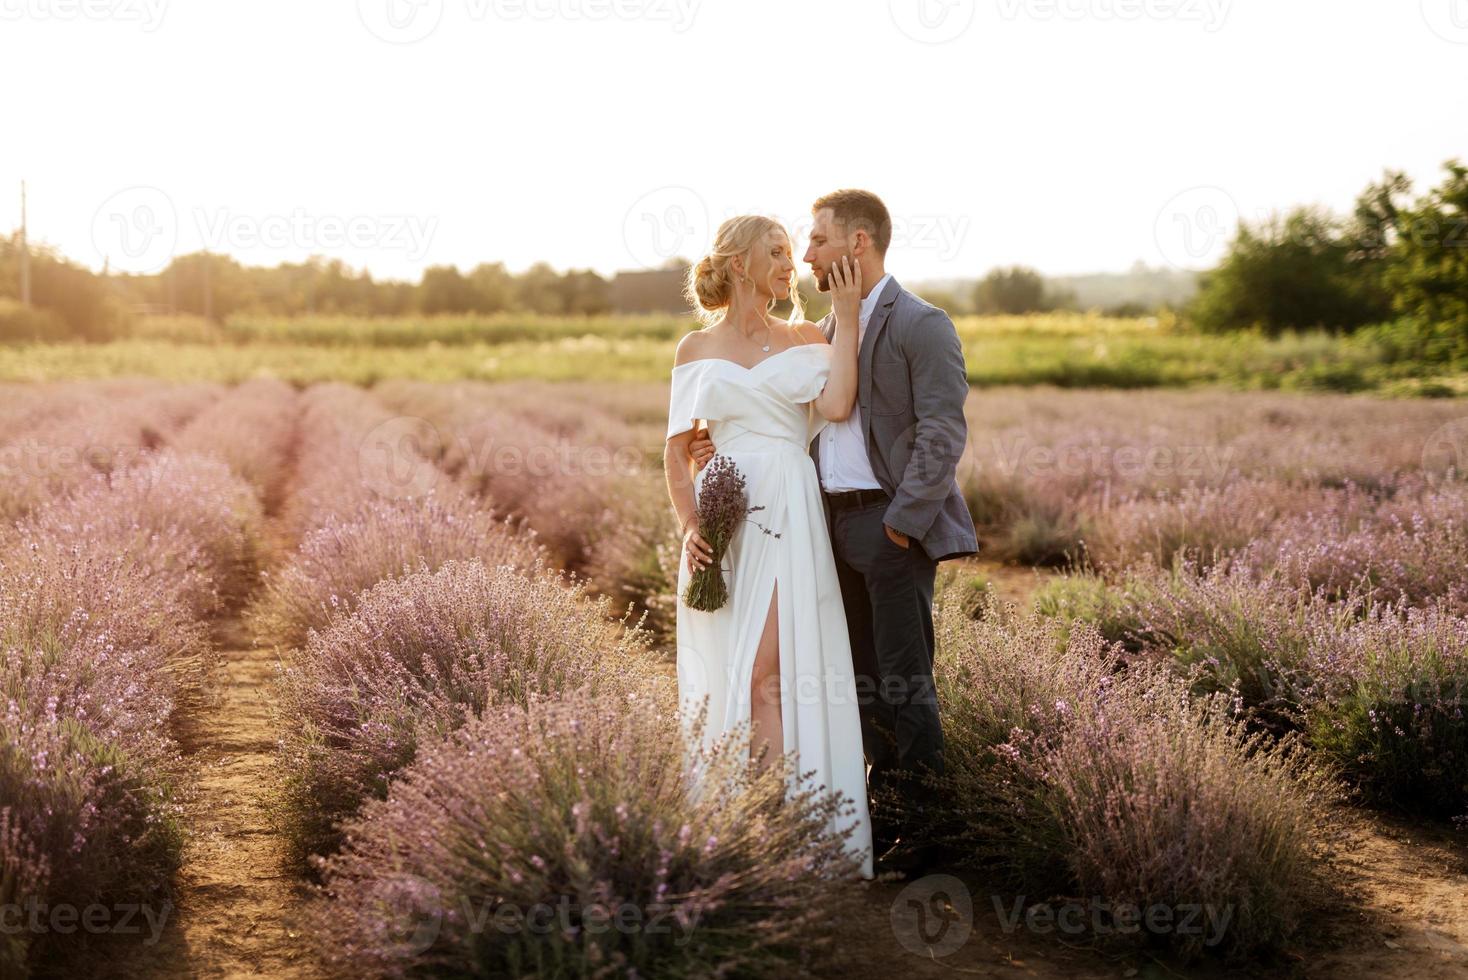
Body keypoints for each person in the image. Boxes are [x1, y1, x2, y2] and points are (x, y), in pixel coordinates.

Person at [689, 190, 978, 875]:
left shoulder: (922, 323)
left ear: (858, 244)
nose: (808, 255)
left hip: (888, 526)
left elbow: (943, 433)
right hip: (822, 527)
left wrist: (901, 526)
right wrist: (722, 449)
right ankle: (883, 821)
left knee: (907, 684)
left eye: (817, 241)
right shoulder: (820, 330)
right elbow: (798, 417)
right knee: (856, 684)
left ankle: (934, 841)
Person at [663, 212, 873, 880]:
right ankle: (740, 825)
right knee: (734, 671)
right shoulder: (694, 350)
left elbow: (837, 404)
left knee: (767, 674)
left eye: (791, 252)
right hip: (724, 522)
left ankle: (779, 828)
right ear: (739, 262)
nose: (791, 265)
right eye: (777, 253)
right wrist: (692, 528)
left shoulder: (808, 335)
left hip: (787, 506)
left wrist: (847, 313)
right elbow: (675, 455)